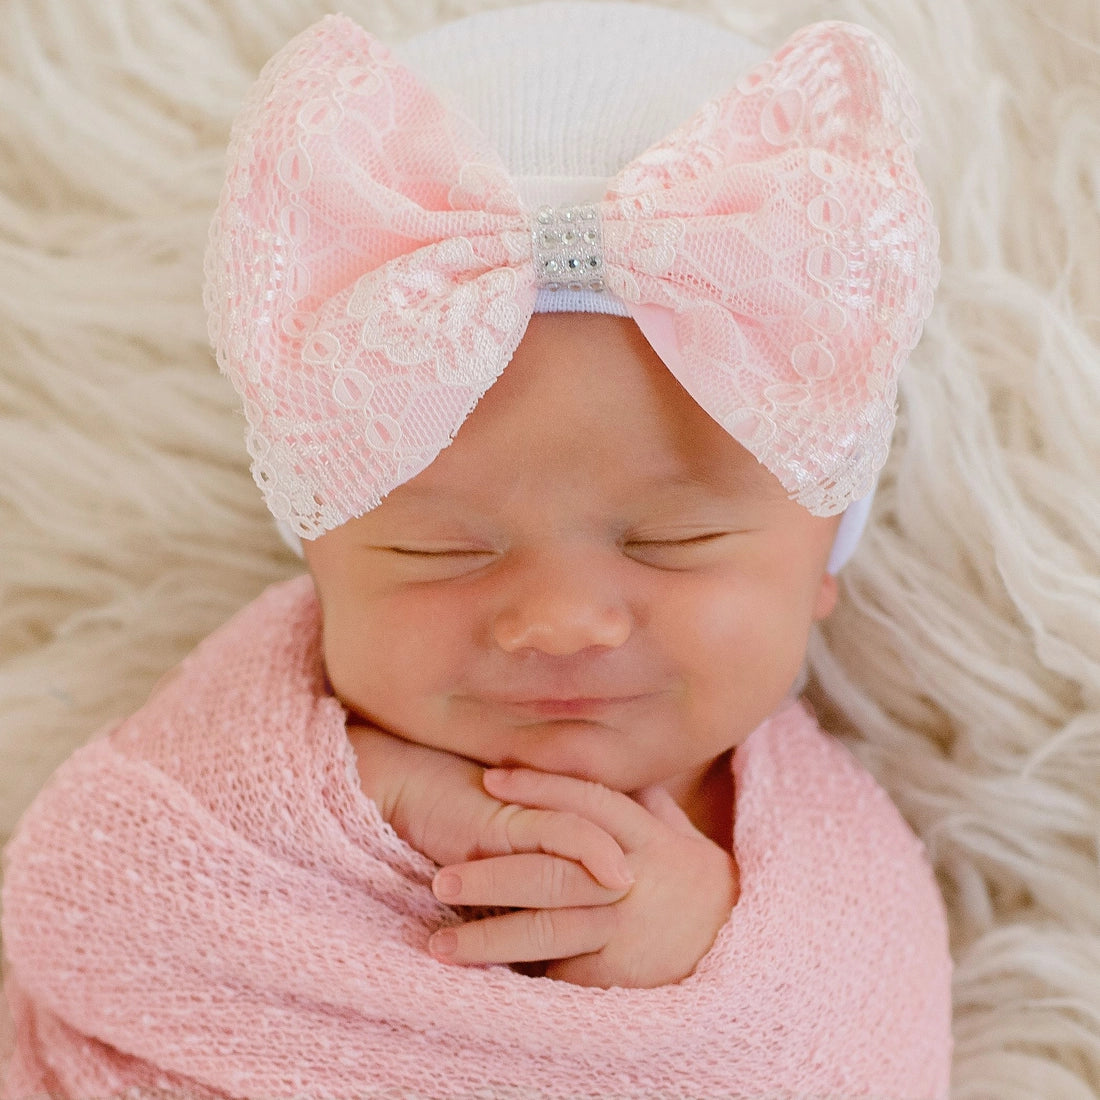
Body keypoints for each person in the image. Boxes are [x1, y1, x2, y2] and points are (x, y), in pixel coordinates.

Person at [1, 3, 952, 1096]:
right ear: (320, 548)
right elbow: (78, 899)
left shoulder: (821, 872)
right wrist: (356, 798)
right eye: (436, 548)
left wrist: (701, 965)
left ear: (823, 550)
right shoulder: (235, 754)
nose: (555, 620)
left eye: (672, 539)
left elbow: (869, 1051)